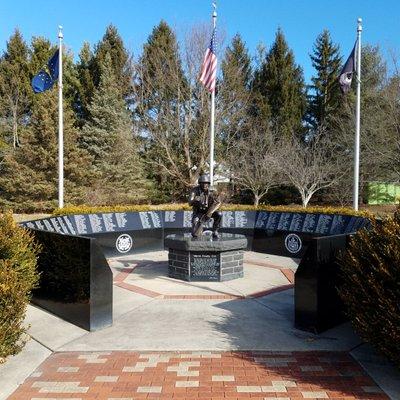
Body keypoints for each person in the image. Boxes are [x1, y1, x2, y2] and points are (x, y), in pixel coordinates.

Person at [188, 174, 222, 238]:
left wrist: (210, 212)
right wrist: (195, 200)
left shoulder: (213, 190)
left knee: (219, 214)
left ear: (208, 183)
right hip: (199, 212)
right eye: (202, 183)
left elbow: (218, 202)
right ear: (199, 183)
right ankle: (197, 231)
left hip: (210, 211)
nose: (204, 185)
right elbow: (190, 203)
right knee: (195, 234)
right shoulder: (194, 190)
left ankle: (215, 231)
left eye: (206, 183)